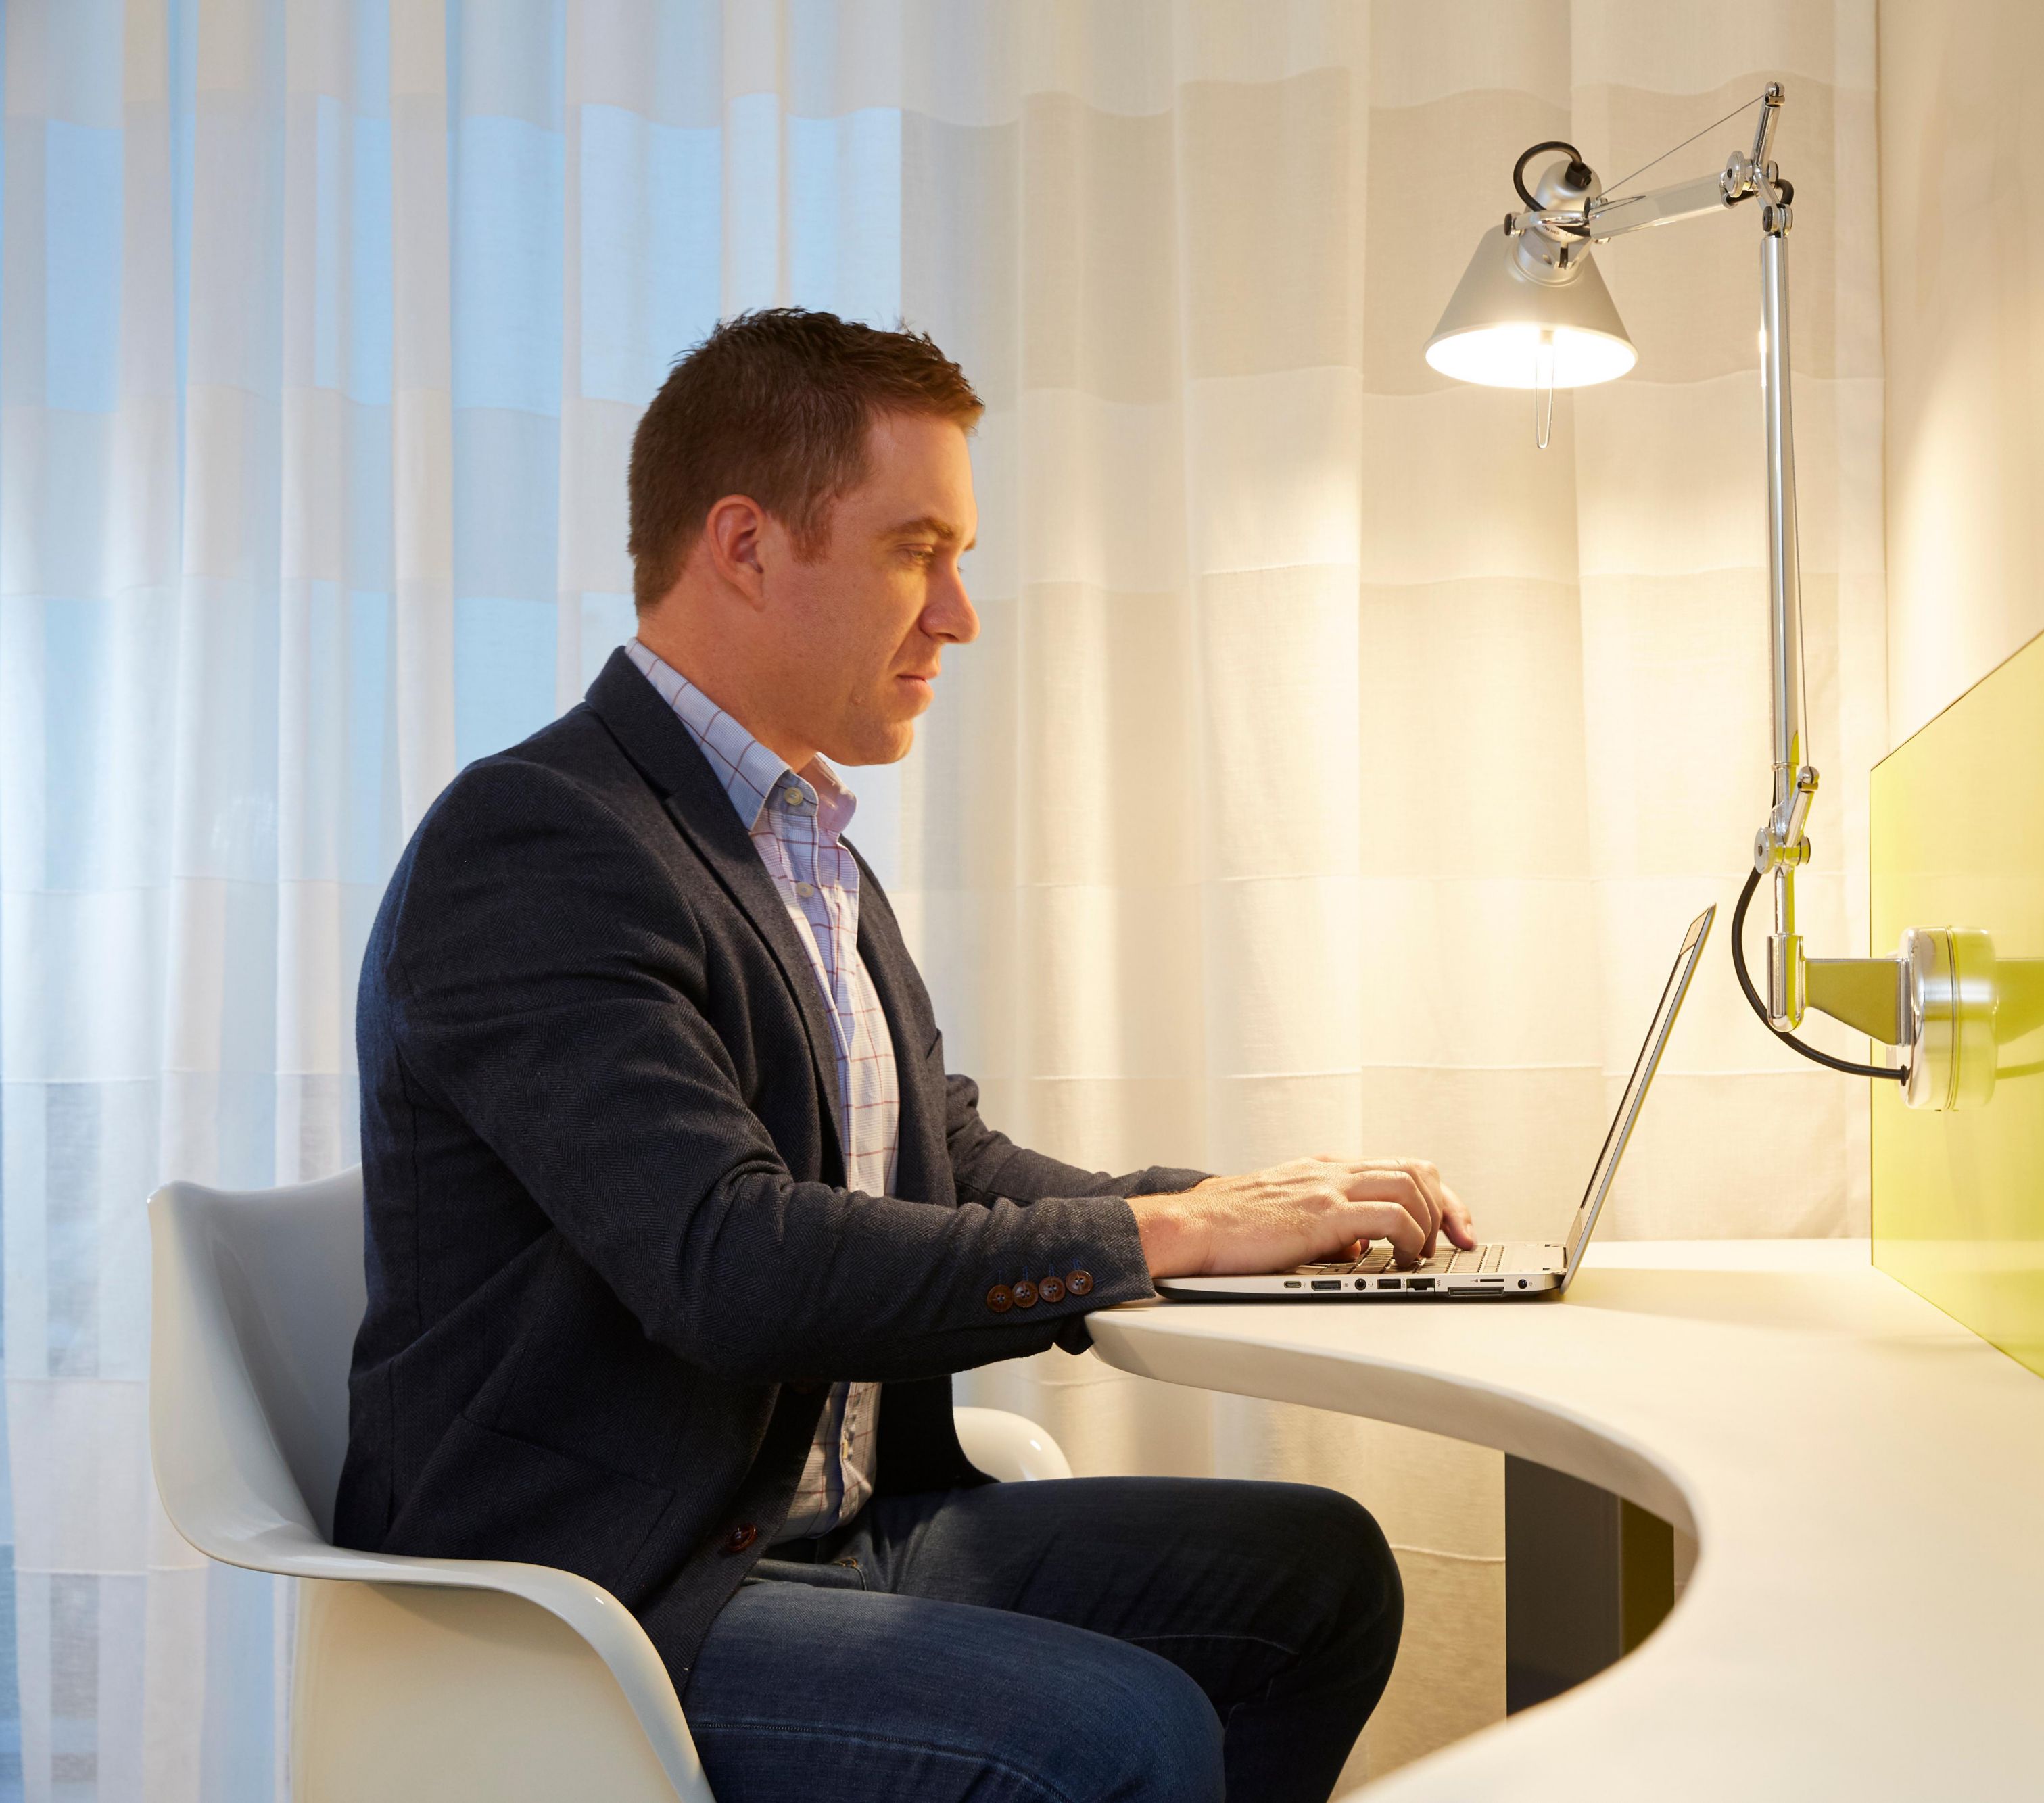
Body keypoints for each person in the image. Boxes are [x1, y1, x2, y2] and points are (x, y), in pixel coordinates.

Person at [336, 308, 1477, 1803]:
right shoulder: (540, 841)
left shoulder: (800, 846)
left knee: (1315, 1577)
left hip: (828, 1527)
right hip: (612, 1586)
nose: (959, 615)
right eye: (915, 551)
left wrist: (1243, 1211)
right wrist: (1171, 1235)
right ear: (746, 546)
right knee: (1125, 1732)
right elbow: (728, 1262)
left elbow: (949, 1163)